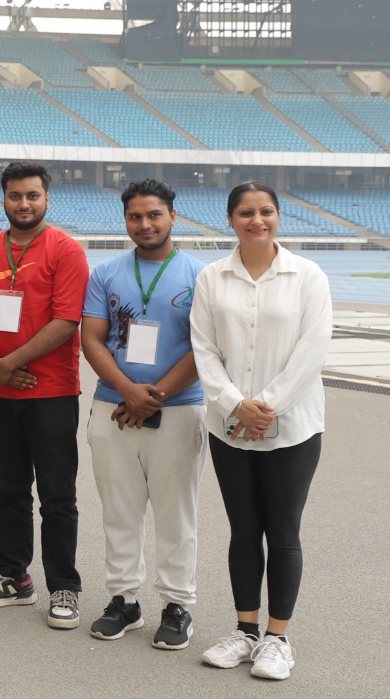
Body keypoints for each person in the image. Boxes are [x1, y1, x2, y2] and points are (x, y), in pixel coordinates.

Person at [190, 182, 330, 681]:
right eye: (246, 212)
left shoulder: (307, 276)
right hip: (229, 426)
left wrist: (265, 408)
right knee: (244, 530)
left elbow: (313, 349)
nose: (257, 220)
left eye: (266, 211)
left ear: (278, 216)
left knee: (283, 531)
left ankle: (277, 639)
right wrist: (235, 405)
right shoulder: (212, 277)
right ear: (230, 219)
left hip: (291, 427)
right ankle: (245, 631)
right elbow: (204, 349)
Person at [0, 161, 89, 629]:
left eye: (32, 195)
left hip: (51, 392)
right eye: (15, 196)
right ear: (4, 200)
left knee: (57, 496)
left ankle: (65, 586)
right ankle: (14, 576)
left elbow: (66, 320)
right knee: (8, 490)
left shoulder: (66, 250)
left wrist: (9, 363)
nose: (24, 204)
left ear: (46, 198)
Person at [80, 179, 206, 649]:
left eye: (154, 214)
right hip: (113, 407)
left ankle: (177, 605)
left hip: (180, 410)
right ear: (126, 221)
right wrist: (127, 390)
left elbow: (205, 347)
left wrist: (154, 396)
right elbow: (92, 338)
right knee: (120, 509)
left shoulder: (201, 276)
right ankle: (124, 600)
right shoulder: (106, 273)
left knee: (176, 512)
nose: (145, 224)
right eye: (135, 216)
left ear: (173, 215)